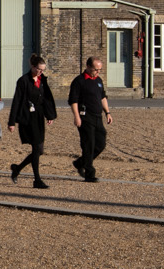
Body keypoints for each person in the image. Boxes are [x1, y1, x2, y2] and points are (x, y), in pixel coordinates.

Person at [8, 56, 58, 188]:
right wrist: (11, 122)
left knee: (39, 150)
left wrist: (50, 115)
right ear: (33, 67)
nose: (41, 72)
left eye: (43, 70)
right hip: (28, 118)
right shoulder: (23, 81)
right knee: (36, 148)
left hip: (39, 117)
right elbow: (17, 101)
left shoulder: (42, 80)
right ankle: (37, 180)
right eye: (39, 69)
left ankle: (17, 168)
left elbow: (46, 99)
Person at [67, 54, 112, 182]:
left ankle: (80, 163)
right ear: (87, 67)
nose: (97, 72)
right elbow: (73, 101)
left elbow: (103, 97)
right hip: (85, 117)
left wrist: (107, 112)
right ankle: (89, 173)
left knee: (101, 143)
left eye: (99, 70)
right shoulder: (79, 81)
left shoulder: (98, 80)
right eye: (95, 69)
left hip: (98, 117)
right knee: (88, 144)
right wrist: (76, 117)